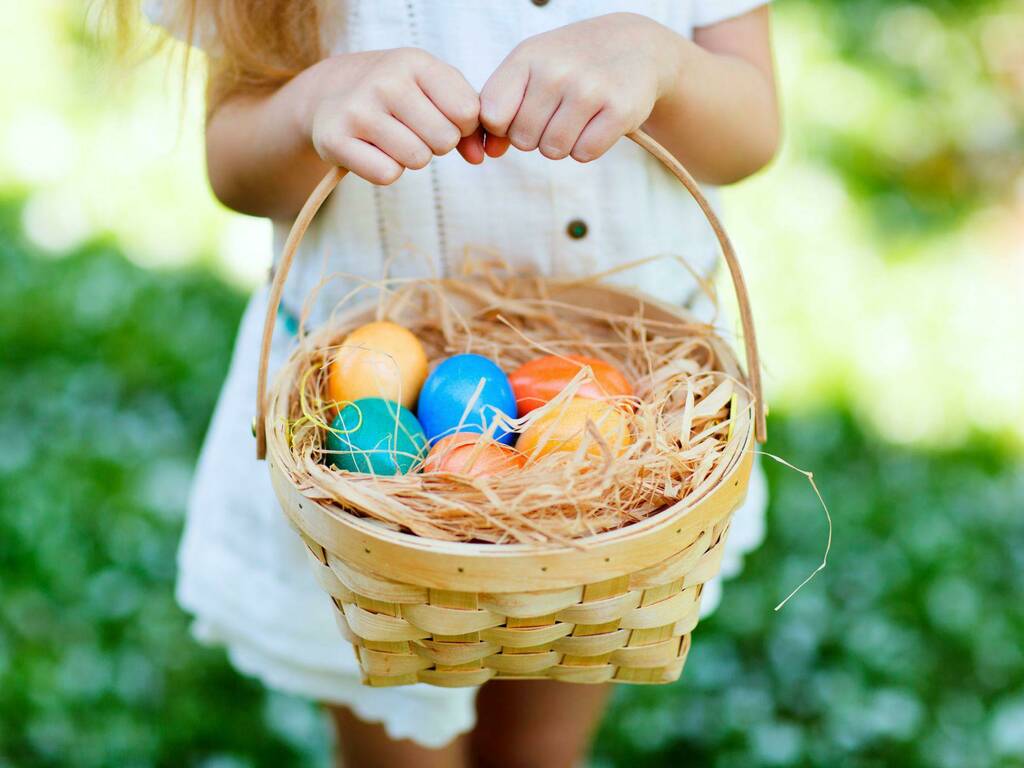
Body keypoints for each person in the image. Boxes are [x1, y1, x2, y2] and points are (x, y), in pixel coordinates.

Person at [131, 1, 778, 765]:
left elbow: (751, 131)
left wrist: (661, 62)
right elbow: (233, 164)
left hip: (623, 461)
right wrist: (313, 104)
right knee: (397, 744)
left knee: (541, 740)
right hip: (372, 511)